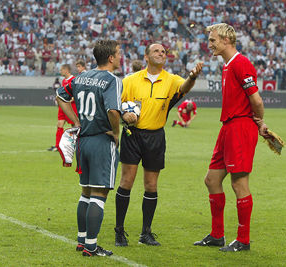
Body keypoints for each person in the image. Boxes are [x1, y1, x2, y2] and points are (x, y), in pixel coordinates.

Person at [114, 43, 203, 246]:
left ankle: (146, 233)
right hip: (133, 135)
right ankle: (119, 231)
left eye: (163, 52)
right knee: (126, 182)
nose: (161, 53)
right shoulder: (130, 80)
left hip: (155, 136)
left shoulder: (171, 79)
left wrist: (193, 77)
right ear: (146, 56)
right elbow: (116, 103)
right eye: (156, 51)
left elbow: (184, 88)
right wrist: (123, 113)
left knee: (151, 185)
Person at [194, 23, 269, 252]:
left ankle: (243, 240)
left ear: (226, 39)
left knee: (239, 183)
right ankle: (217, 236)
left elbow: (256, 100)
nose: (210, 44)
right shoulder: (227, 66)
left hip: (240, 126)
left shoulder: (241, 63)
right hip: (227, 127)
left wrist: (260, 122)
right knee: (212, 180)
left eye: (213, 40)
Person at [56, 39, 123, 257]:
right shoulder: (112, 79)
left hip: (83, 141)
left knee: (85, 191)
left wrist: (76, 122)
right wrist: (116, 132)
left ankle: (82, 241)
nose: (121, 57)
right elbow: (113, 111)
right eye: (119, 53)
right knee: (99, 193)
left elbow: (60, 96)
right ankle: (92, 247)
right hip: (101, 140)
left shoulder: (79, 77)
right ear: (111, 58)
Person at [48, 64, 78, 151]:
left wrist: (70, 99)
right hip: (63, 107)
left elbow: (75, 95)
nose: (60, 71)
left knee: (74, 126)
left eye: (61, 70)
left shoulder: (74, 80)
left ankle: (74, 144)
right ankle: (58, 146)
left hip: (71, 107)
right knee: (59, 124)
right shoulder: (64, 81)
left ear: (66, 70)